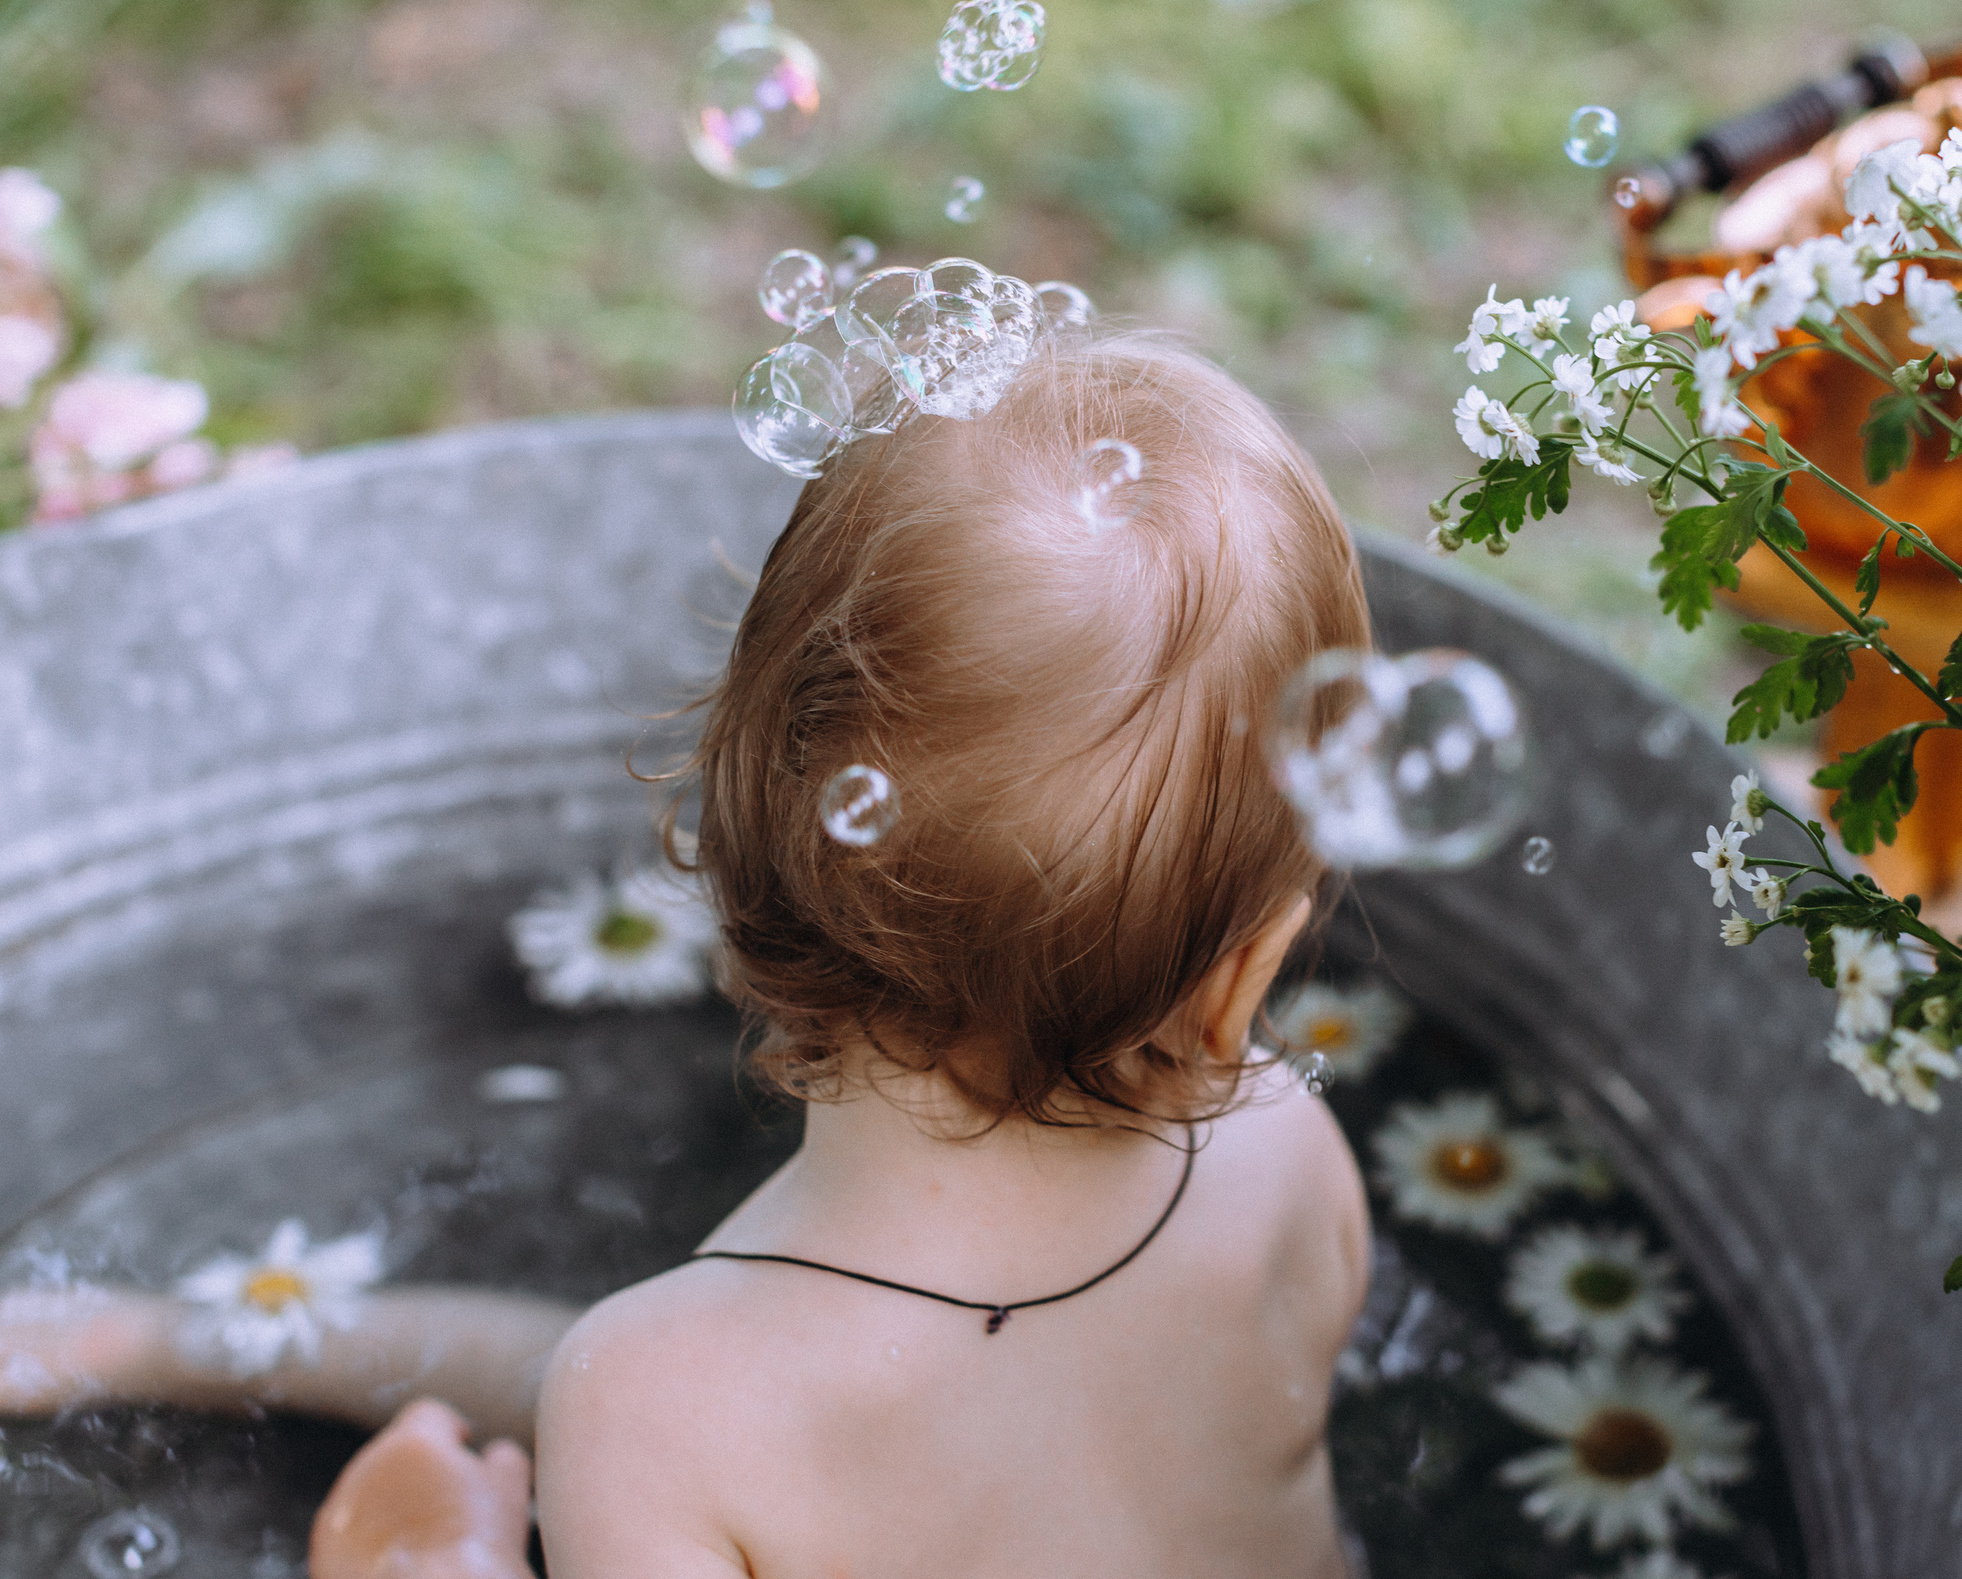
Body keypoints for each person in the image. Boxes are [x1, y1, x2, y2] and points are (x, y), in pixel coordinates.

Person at [1, 336, 1376, 1579]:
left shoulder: (673, 1401)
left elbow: (695, 1399)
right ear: (1243, 976)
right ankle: (175, 1337)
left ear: (741, 834)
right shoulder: (1282, 1159)